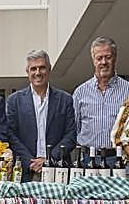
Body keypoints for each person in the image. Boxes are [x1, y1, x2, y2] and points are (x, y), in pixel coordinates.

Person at [5, 50, 76, 180]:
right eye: (33, 69)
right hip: (25, 171)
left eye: (42, 68)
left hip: (58, 170)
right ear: (27, 71)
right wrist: (30, 162)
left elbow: (71, 135)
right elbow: (11, 136)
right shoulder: (14, 101)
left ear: (49, 69)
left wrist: (49, 159)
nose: (38, 73)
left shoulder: (65, 99)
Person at [73, 37, 129, 167]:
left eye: (108, 57)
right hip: (87, 160)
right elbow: (75, 128)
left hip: (118, 160)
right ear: (93, 60)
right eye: (99, 58)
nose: (103, 62)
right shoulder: (80, 92)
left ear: (115, 58)